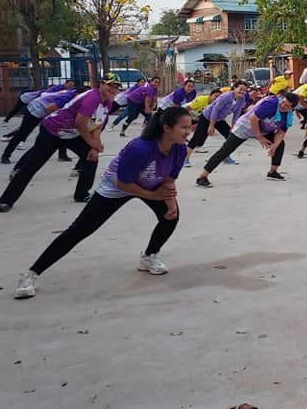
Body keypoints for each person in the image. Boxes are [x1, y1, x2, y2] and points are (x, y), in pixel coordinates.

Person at [12, 107, 192, 299]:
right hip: (117, 186)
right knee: (79, 230)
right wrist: (152, 195)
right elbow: (124, 183)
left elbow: (169, 180)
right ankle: (31, 274)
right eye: (184, 127)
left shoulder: (179, 148)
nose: (189, 131)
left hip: (151, 183)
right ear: (166, 128)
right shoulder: (140, 148)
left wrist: (171, 205)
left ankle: (149, 257)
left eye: (190, 127)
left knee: (170, 218)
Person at [0, 78, 121, 213]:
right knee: (32, 165)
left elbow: (97, 125)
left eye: (116, 87)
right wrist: (91, 143)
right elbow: (80, 122)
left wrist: (95, 147)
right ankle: (5, 201)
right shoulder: (92, 97)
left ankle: (81, 194)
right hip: (52, 131)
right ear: (101, 84)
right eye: (110, 85)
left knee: (91, 158)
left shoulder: (107, 103)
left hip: (70, 134)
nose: (113, 89)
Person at [196, 92, 300, 187]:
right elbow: (253, 119)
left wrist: (274, 147)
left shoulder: (288, 116)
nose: (283, 106)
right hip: (245, 126)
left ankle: (273, 172)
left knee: (280, 144)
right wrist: (259, 137)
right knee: (226, 150)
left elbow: (281, 133)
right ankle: (202, 177)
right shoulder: (271, 104)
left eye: (287, 106)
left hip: (263, 129)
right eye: (283, 102)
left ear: (291, 108)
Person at [1, 86, 83, 164]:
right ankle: (6, 155)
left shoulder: (72, 93)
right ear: (78, 94)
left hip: (42, 109)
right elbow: (49, 109)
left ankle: (62, 155)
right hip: (35, 110)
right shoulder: (67, 98)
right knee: (22, 134)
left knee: (62, 132)